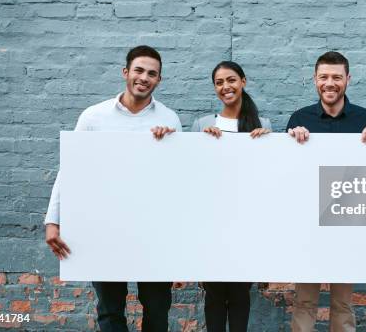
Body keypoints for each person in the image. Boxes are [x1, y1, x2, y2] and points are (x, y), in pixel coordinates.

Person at [45, 45, 182, 332]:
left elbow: (177, 183)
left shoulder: (169, 120)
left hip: (153, 231)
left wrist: (169, 145)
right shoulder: (94, 117)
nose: (144, 77)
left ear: (159, 80)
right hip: (104, 227)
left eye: (152, 74)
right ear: (126, 72)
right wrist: (53, 221)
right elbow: (70, 170)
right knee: (109, 311)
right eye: (139, 70)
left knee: (157, 309)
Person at [286, 51, 366, 332]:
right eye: (324, 77)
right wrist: (291, 140)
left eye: (337, 77)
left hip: (348, 222)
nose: (330, 83)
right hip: (309, 222)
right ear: (315, 80)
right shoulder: (299, 118)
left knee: (343, 302)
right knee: (304, 301)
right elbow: (286, 173)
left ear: (347, 80)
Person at [188, 60, 270, 332]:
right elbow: (191, 175)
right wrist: (202, 143)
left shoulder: (263, 124)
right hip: (210, 224)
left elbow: (269, 177)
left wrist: (266, 143)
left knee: (239, 295)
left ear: (243, 82)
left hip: (247, 224)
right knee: (213, 296)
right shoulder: (202, 124)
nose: (226, 86)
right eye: (219, 82)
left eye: (231, 80)